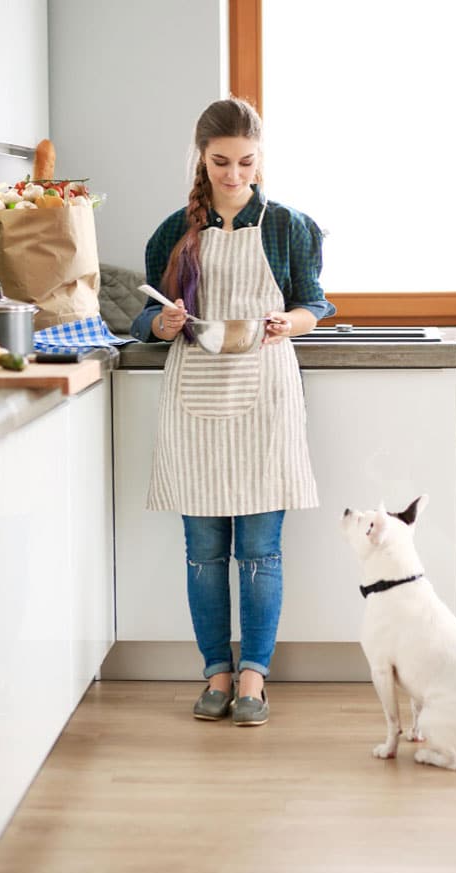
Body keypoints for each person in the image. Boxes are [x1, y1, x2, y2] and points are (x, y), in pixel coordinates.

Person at [130, 97, 336, 726]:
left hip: (264, 391)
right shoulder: (173, 231)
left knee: (260, 549)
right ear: (202, 157)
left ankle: (255, 676)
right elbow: (142, 318)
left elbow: (316, 304)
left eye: (247, 161)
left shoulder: (290, 227)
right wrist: (161, 323)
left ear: (260, 158)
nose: (235, 174)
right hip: (195, 393)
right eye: (221, 162)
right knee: (202, 548)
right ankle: (215, 671)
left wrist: (288, 322)